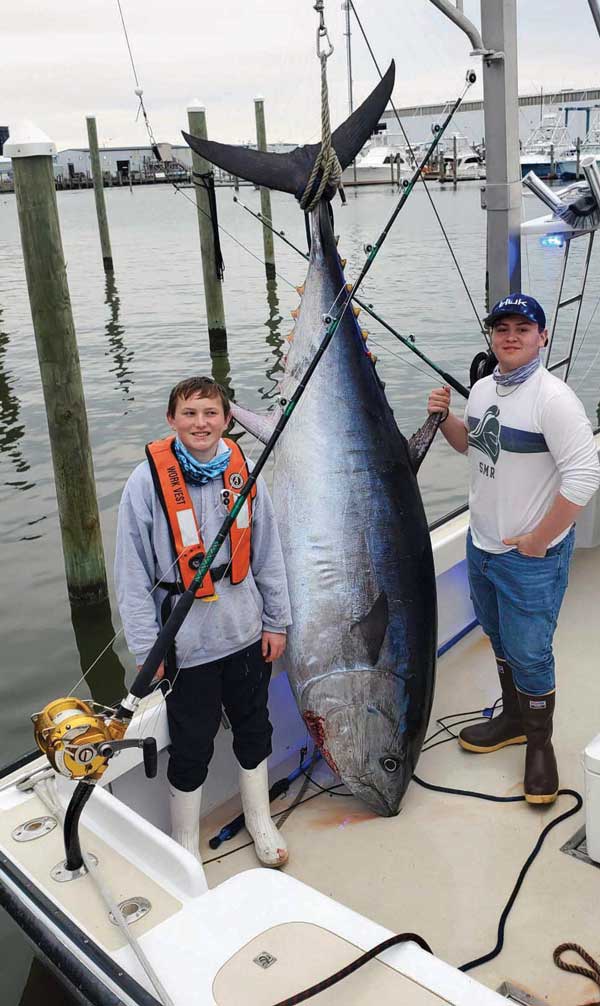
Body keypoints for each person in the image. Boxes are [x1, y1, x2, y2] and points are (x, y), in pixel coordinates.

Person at [428, 294, 600, 805]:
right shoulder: (482, 389)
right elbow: (473, 445)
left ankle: (540, 746)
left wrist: (541, 540)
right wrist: (445, 421)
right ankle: (513, 718)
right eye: (501, 328)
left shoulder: (554, 399)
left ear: (542, 337)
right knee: (499, 637)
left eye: (522, 328)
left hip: (531, 556)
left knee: (530, 650)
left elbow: (586, 474)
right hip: (481, 546)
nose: (510, 336)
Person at [115, 376, 292, 866]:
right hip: (186, 647)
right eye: (189, 413)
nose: (201, 423)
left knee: (255, 729)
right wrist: (146, 652)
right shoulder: (145, 482)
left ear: (226, 419)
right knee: (191, 746)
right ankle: (184, 841)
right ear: (171, 420)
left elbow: (268, 554)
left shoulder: (245, 471)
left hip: (246, 632)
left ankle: (259, 818)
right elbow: (131, 577)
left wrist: (277, 621)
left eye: (210, 413)